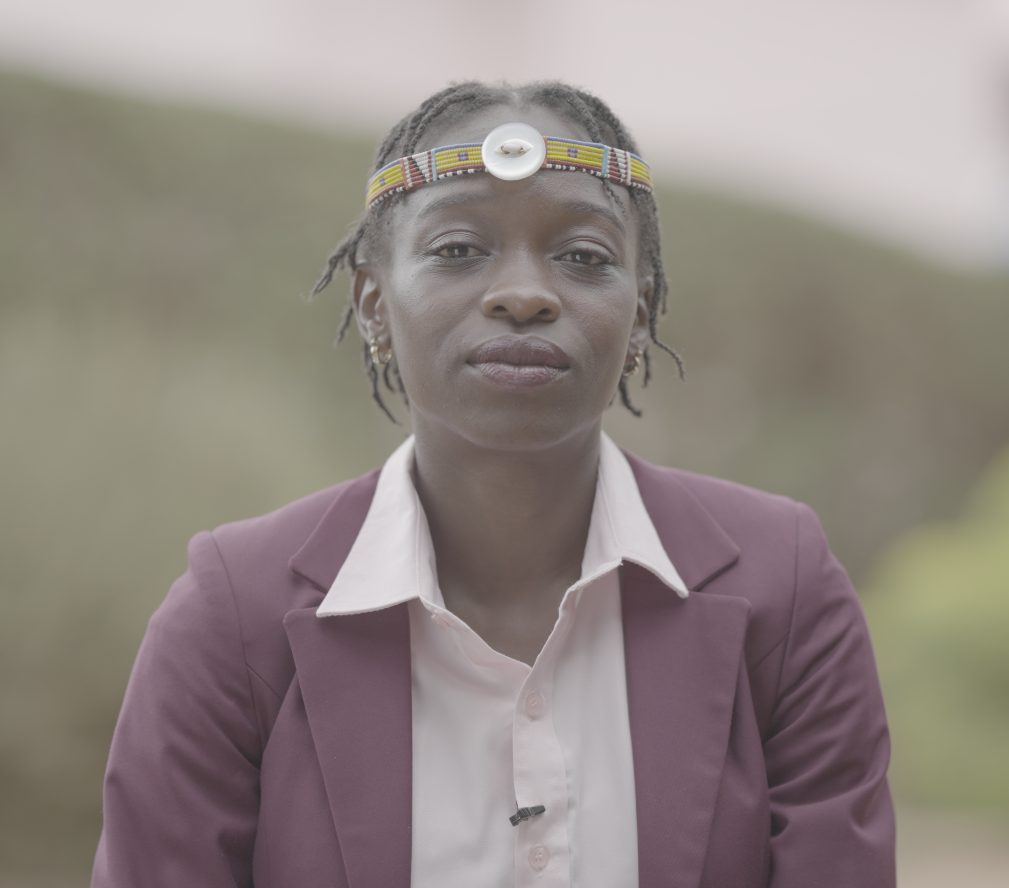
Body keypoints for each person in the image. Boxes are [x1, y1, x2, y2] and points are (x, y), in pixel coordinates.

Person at [91, 81, 896, 888]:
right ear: (373, 303)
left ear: (642, 312)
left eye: (583, 257)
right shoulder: (233, 614)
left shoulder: (782, 587)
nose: (524, 294)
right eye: (456, 250)